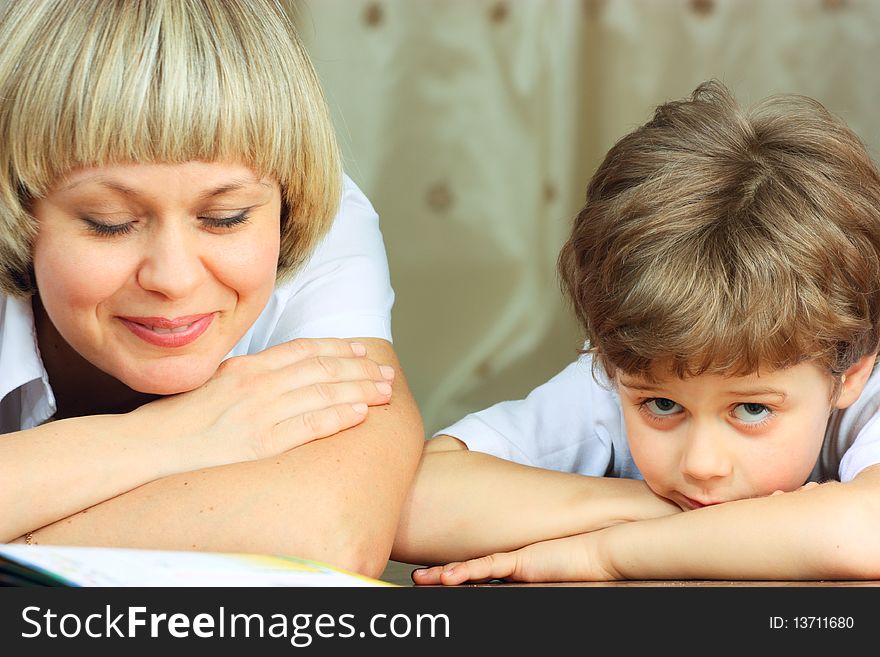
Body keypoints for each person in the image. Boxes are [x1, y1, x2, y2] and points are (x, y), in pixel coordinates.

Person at [392, 80, 880, 583]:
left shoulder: (866, 397)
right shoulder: (620, 378)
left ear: (852, 373)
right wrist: (644, 508)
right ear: (605, 359)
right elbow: (411, 503)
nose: (701, 465)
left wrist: (605, 554)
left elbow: (868, 532)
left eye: (752, 409)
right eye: (663, 407)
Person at [0, 0, 423, 579]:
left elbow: (324, 531)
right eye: (109, 222)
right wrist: (168, 436)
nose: (173, 280)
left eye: (224, 219)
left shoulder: (312, 211)